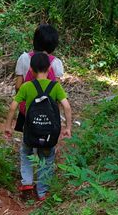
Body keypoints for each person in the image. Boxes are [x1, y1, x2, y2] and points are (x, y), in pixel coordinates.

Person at [5, 51, 72, 201]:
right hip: (49, 132)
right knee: (47, 158)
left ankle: (27, 183)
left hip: (30, 130)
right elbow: (67, 107)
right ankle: (42, 192)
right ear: (49, 69)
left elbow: (13, 107)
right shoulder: (55, 87)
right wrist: (68, 128)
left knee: (26, 153)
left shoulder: (26, 86)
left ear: (31, 70)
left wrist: (8, 126)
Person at [13, 24, 64, 132]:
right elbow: (57, 91)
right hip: (48, 111)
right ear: (54, 45)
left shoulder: (23, 58)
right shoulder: (56, 63)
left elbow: (18, 86)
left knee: (27, 136)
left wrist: (22, 102)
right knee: (46, 136)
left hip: (27, 109)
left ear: (35, 41)